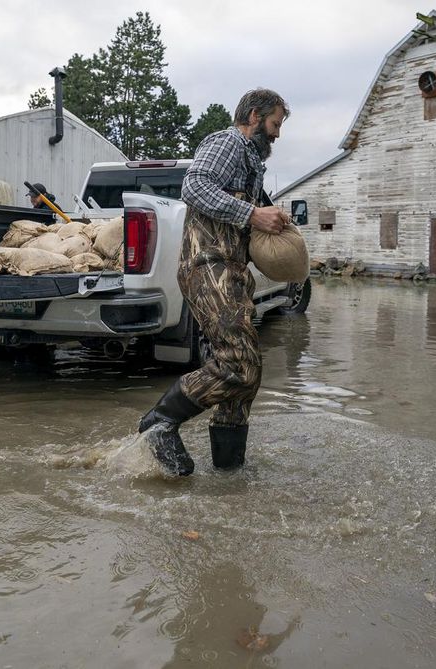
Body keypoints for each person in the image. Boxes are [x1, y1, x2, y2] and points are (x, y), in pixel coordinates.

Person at [137, 88, 290, 476]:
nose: (277, 134)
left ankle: (229, 474)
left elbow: (245, 219)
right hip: (208, 266)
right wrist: (253, 214)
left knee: (245, 378)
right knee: (239, 364)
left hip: (231, 271)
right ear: (254, 116)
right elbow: (194, 186)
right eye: (274, 125)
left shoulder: (252, 164)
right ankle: (158, 422)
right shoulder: (228, 142)